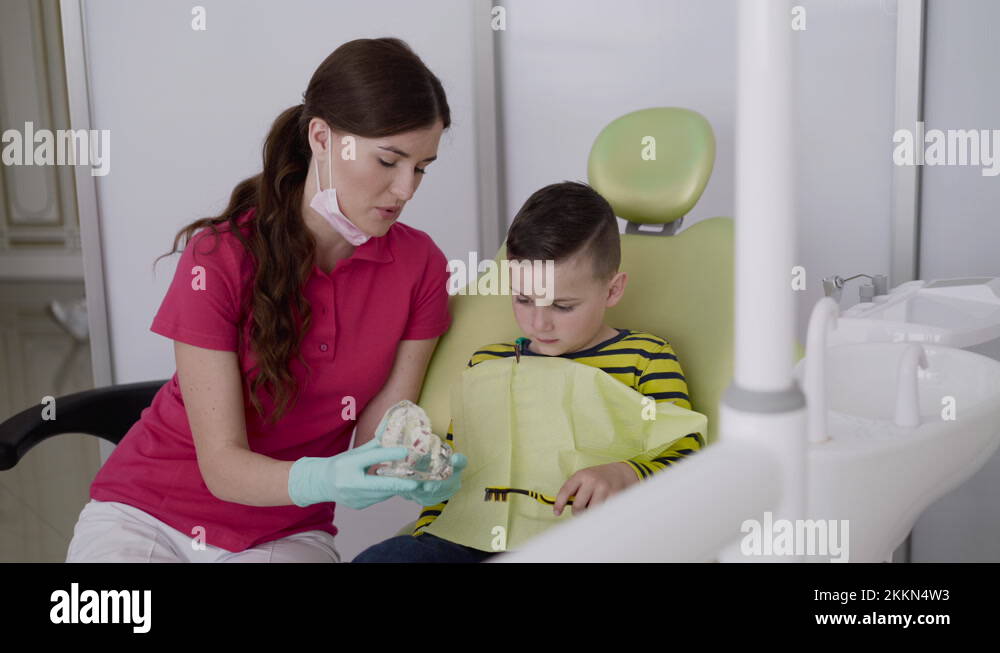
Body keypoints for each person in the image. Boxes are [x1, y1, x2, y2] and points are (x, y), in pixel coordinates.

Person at [66, 38, 465, 563]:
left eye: (421, 167)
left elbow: (380, 434)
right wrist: (324, 476)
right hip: (147, 513)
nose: (406, 189)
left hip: (284, 533)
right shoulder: (220, 258)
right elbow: (222, 467)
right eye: (389, 160)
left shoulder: (422, 267)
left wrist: (411, 466)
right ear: (322, 137)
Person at [353, 181, 706, 563]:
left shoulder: (646, 358)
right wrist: (427, 512)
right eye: (523, 299)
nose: (540, 323)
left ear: (613, 290)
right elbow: (457, 474)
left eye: (563, 306)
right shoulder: (487, 366)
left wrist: (627, 473)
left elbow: (686, 455)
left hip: (584, 543)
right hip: (467, 543)